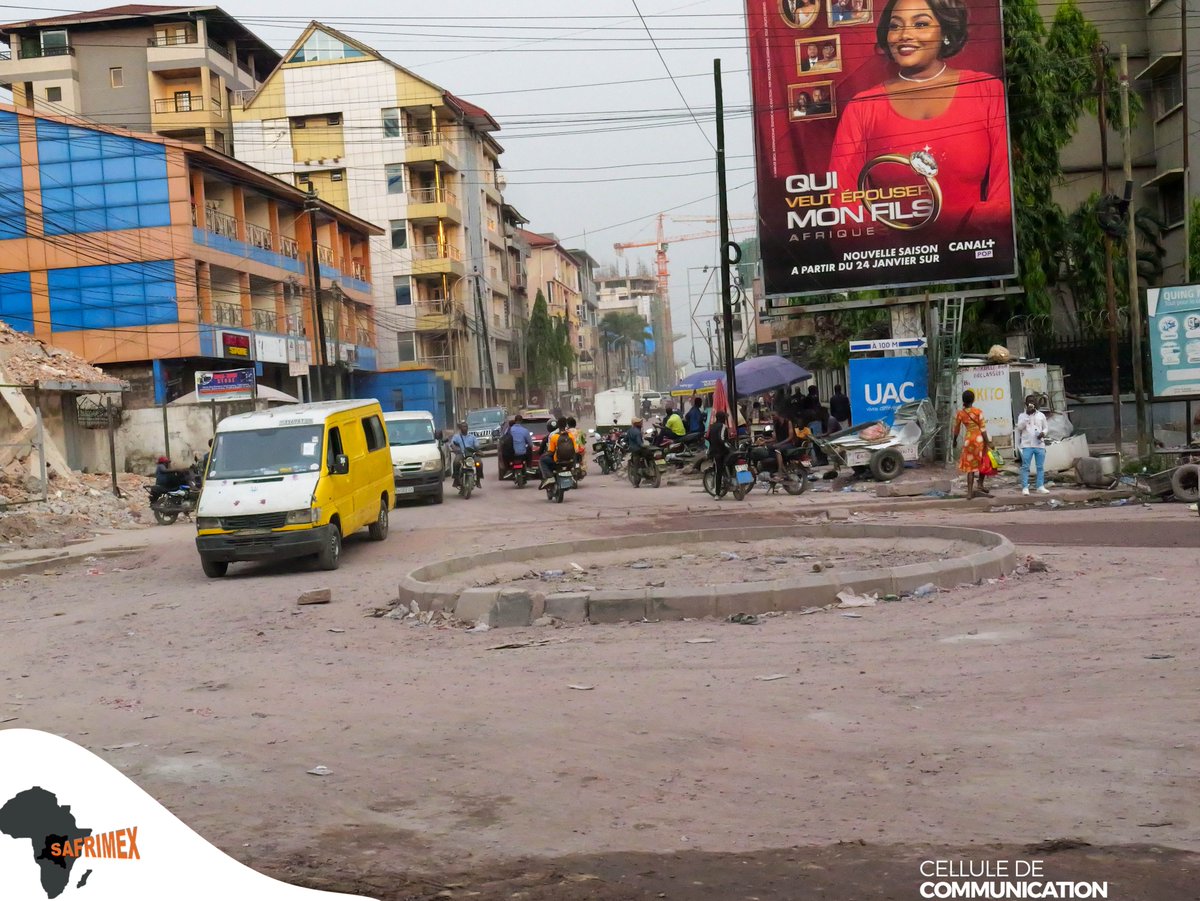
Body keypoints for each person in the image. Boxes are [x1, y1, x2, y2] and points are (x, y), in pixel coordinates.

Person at [828, 0, 1012, 248]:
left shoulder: (986, 91)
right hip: (895, 267)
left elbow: (1004, 190)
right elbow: (842, 200)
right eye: (895, 26)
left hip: (977, 257)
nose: (905, 35)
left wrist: (973, 240)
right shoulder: (863, 107)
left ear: (945, 31)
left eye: (921, 24)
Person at [952, 389, 991, 500]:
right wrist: (987, 443)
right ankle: (980, 484)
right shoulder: (978, 412)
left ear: (963, 400)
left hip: (968, 441)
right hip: (979, 440)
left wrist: (954, 441)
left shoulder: (961, 414)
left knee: (970, 468)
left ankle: (969, 493)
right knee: (983, 462)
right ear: (973, 400)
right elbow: (983, 429)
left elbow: (956, 429)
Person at [1016, 395, 1050, 496]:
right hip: (1027, 445)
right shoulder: (1022, 415)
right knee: (1025, 467)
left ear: (1036, 403)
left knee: (1040, 467)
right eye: (1029, 401)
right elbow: (1020, 427)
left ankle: (1040, 486)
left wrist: (1043, 433)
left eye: (1033, 401)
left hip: (1039, 445)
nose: (1031, 403)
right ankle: (1025, 487)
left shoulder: (1041, 415)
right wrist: (1027, 415)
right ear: (1026, 404)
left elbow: (1046, 428)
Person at [539, 420, 578, 488]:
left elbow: (551, 451)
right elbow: (576, 449)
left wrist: (544, 455)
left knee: (542, 460)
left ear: (558, 426)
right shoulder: (571, 435)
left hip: (558, 460)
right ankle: (572, 474)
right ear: (566, 425)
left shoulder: (554, 436)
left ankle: (549, 477)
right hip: (570, 460)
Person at [449, 421, 482, 490]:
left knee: (479, 463)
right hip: (461, 454)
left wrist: (478, 449)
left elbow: (477, 445)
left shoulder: (472, 437)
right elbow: (452, 444)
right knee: (456, 462)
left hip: (471, 455)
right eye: (463, 427)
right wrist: (455, 449)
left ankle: (478, 480)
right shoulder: (456, 437)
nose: (465, 428)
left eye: (466, 426)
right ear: (460, 428)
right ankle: (456, 479)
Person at [706, 411, 731, 497]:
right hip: (722, 452)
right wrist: (729, 448)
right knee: (719, 471)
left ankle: (717, 493)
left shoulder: (711, 426)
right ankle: (717, 492)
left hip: (714, 452)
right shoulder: (723, 426)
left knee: (718, 472)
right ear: (723, 418)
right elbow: (722, 439)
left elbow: (707, 437)